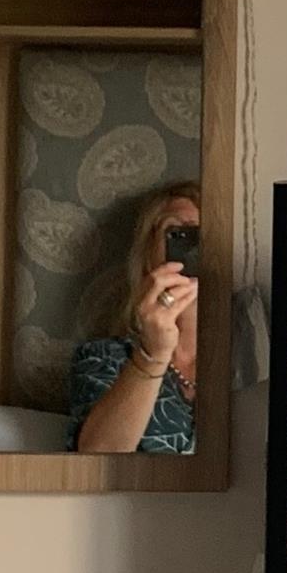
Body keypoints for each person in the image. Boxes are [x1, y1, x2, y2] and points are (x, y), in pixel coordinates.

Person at [68, 184, 202, 455]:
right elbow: (96, 457)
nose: (195, 247)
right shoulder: (103, 358)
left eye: (206, 234)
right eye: (178, 234)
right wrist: (153, 353)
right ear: (149, 257)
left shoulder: (254, 353)